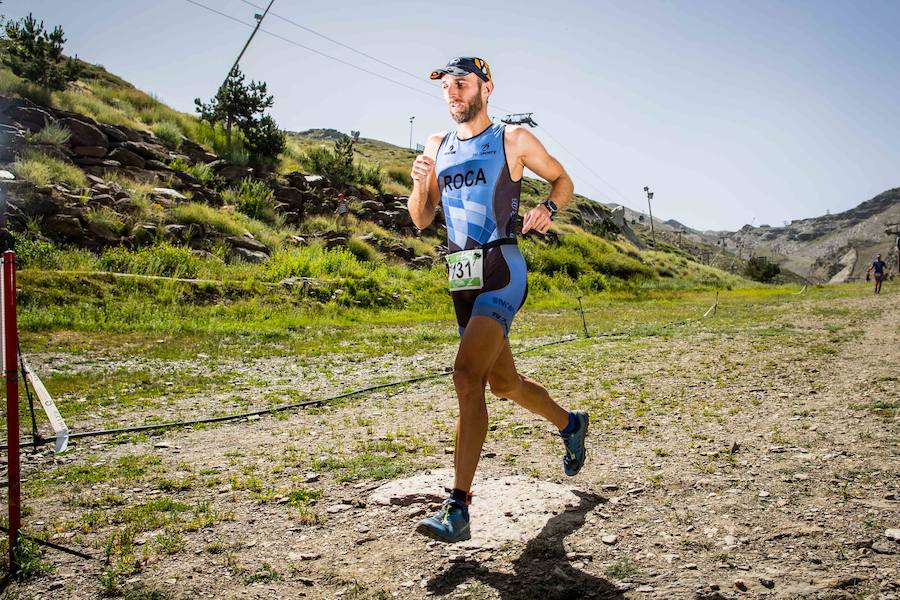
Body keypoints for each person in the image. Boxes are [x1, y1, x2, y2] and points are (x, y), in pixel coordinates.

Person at [407, 56, 589, 543]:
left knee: (467, 376)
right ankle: (570, 423)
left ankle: (458, 507)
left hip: (502, 269)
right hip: (459, 277)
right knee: (503, 383)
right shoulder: (436, 145)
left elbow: (563, 180)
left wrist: (548, 207)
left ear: (486, 88)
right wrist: (419, 181)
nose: (452, 93)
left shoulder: (512, 139)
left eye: (461, 84)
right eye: (446, 86)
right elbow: (421, 219)